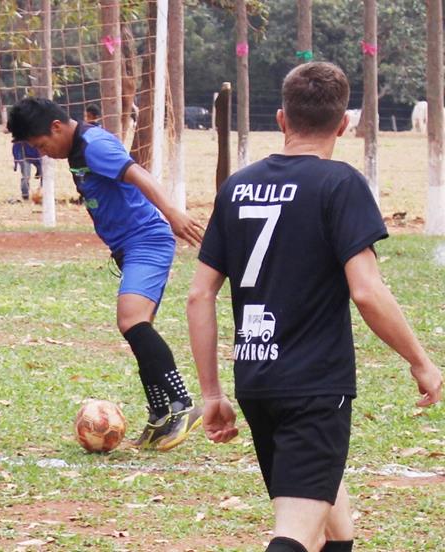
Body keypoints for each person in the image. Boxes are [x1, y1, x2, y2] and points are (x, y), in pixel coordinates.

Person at [186, 62, 442, 552]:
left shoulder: (236, 187)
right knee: (296, 535)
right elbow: (366, 291)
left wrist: (212, 392)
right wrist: (420, 361)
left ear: (282, 119)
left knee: (331, 528)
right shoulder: (339, 185)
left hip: (258, 382)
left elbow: (200, 294)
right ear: (343, 124)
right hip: (314, 388)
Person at [7, 97, 206, 451]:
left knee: (131, 321)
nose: (45, 153)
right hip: (130, 247)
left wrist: (173, 213)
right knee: (137, 329)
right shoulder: (77, 150)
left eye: (41, 145)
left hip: (147, 240)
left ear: (56, 127)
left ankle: (182, 404)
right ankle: (160, 414)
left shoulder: (94, 145)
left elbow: (138, 174)